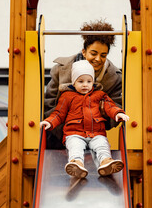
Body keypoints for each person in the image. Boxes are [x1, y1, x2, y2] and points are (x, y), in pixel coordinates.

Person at [40, 60, 129, 178]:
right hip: (74, 133)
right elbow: (58, 113)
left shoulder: (100, 95)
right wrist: (49, 122)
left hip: (96, 133)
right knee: (75, 146)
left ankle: (106, 162)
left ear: (93, 82)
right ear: (74, 82)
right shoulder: (67, 96)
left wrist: (118, 113)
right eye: (80, 81)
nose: (85, 85)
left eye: (89, 81)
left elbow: (110, 106)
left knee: (102, 145)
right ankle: (76, 164)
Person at [44, 19, 122, 148]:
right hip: (60, 135)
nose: (98, 59)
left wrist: (102, 117)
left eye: (103, 55)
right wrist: (67, 131)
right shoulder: (61, 69)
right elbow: (50, 102)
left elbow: (116, 106)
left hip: (94, 134)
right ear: (84, 52)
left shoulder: (113, 78)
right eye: (93, 53)